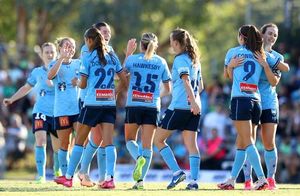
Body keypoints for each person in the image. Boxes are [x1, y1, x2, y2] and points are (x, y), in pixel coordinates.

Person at [55, 27, 128, 189]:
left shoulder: (87, 57)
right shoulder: (113, 57)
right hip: (109, 104)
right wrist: (113, 92)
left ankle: (68, 177)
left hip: (92, 104)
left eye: (85, 41)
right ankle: (110, 179)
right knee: (109, 142)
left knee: (79, 141)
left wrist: (77, 82)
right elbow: (124, 81)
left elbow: (84, 83)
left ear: (89, 40)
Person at [217, 24, 280, 190]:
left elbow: (228, 76)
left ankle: (261, 178)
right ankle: (231, 180)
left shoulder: (233, 52)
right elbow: (282, 67)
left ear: (241, 37)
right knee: (241, 142)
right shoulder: (260, 53)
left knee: (247, 141)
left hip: (240, 100)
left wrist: (230, 66)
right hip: (256, 101)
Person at [78, 22, 136, 187]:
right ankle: (86, 173)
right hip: (90, 100)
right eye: (104, 31)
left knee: (100, 140)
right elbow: (107, 76)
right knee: (98, 139)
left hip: (104, 100)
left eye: (109, 32)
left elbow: (117, 76)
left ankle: (102, 177)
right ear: (95, 34)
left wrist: (115, 91)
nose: (107, 34)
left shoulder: (109, 51)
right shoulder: (87, 49)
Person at [3, 42, 61, 183]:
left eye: (52, 51)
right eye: (46, 52)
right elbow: (25, 88)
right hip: (40, 111)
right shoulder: (36, 72)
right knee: (40, 141)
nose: (49, 54)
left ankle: (58, 172)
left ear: (56, 53)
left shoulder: (62, 70)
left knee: (57, 146)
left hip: (58, 112)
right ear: (41, 54)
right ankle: (40, 176)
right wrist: (12, 99)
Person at [153, 28, 203, 190]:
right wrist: (195, 102)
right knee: (192, 146)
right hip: (195, 108)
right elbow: (200, 86)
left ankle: (176, 172)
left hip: (180, 106)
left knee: (158, 140)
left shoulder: (180, 59)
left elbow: (186, 81)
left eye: (172, 42)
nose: (171, 46)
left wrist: (191, 101)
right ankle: (194, 182)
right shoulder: (195, 60)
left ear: (176, 43)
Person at [241, 23, 289, 190]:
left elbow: (274, 81)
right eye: (269, 33)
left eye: (275, 35)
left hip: (269, 103)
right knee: (249, 142)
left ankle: (270, 179)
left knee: (269, 143)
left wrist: (265, 63)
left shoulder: (277, 57)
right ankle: (247, 181)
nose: (272, 37)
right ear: (261, 35)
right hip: (251, 101)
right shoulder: (250, 52)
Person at [124, 32, 171, 189]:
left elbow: (122, 76)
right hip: (152, 106)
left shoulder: (132, 59)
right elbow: (168, 88)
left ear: (141, 45)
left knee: (130, 140)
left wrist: (128, 53)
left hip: (134, 104)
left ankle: (138, 158)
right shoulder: (161, 61)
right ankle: (140, 182)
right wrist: (156, 96)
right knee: (147, 146)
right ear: (155, 45)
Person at [47, 37, 80, 179]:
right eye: (67, 46)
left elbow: (87, 80)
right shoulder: (54, 64)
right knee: (64, 144)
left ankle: (81, 173)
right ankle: (67, 176)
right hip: (62, 111)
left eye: (72, 46)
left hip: (78, 110)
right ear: (59, 48)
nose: (70, 49)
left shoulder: (79, 63)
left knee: (81, 142)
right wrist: (61, 59)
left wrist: (78, 82)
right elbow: (50, 76)